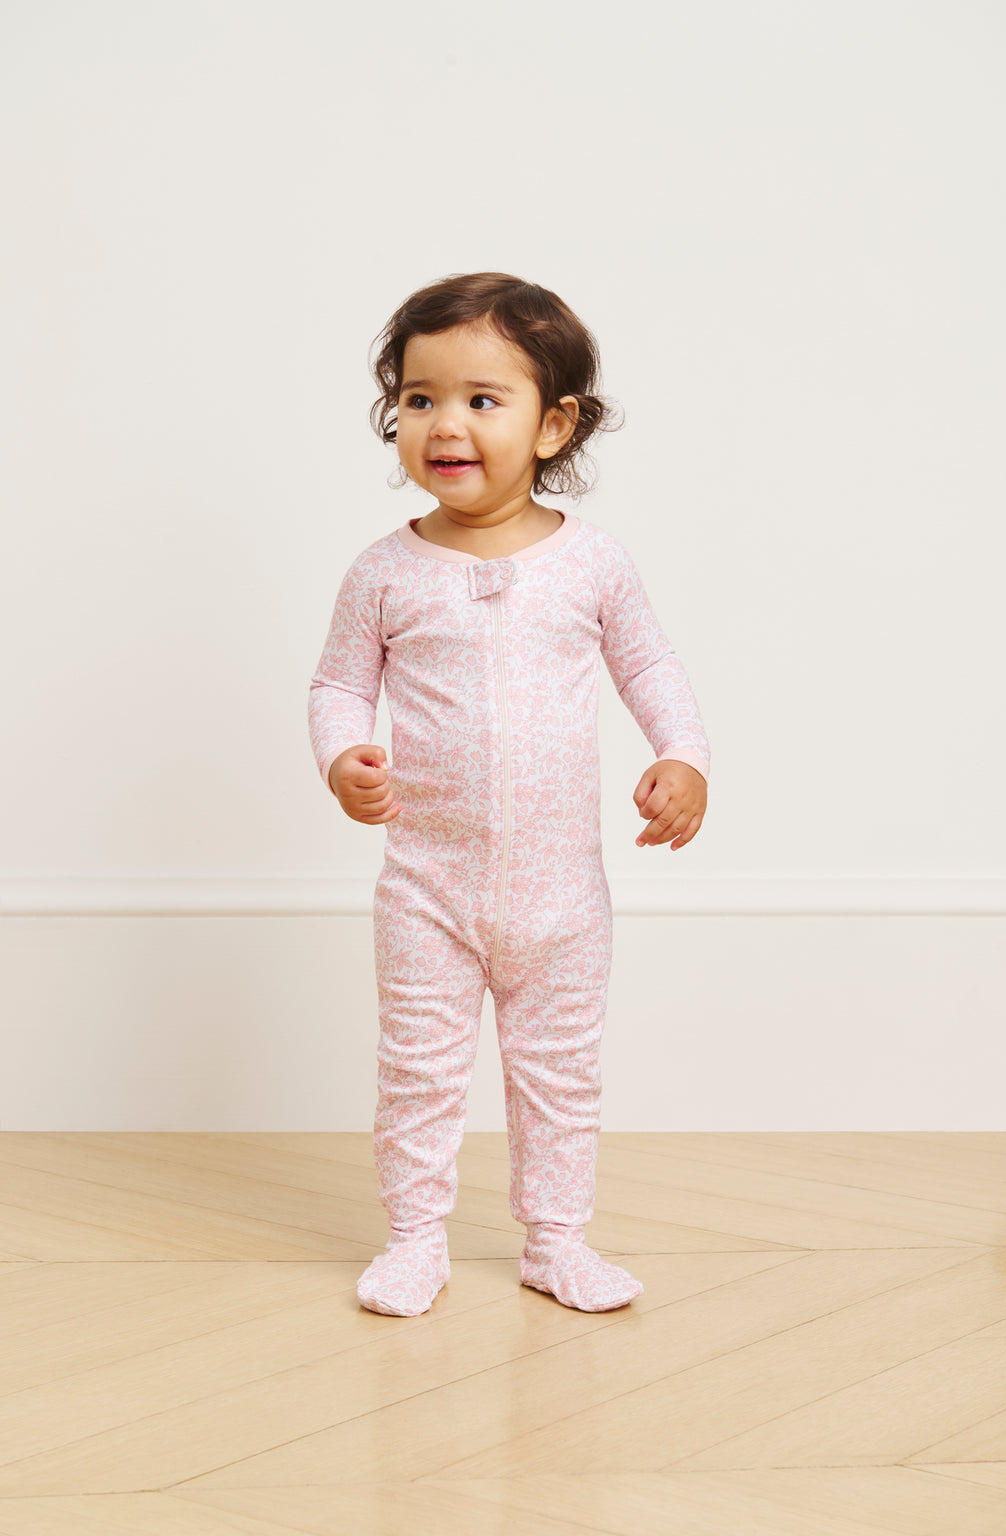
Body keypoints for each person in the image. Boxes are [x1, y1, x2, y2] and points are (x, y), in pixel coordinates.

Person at [308, 272, 710, 1317]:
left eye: (482, 399)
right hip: (426, 887)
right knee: (420, 1069)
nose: (445, 423)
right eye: (419, 397)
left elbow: (653, 669)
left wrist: (684, 755)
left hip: (561, 897)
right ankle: (412, 1238)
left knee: (558, 1074)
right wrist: (343, 754)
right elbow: (337, 685)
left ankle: (557, 1240)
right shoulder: (383, 574)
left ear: (553, 423)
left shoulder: (592, 566)